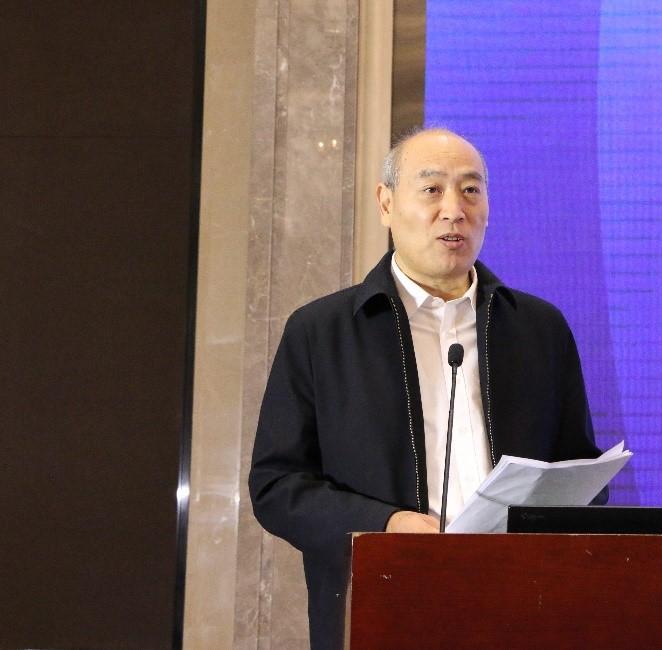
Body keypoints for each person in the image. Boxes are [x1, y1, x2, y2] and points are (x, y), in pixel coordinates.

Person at [249, 127, 606, 649]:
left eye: (471, 190)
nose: (454, 211)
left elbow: (578, 472)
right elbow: (277, 486)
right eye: (432, 189)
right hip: (384, 608)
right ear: (386, 203)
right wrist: (385, 524)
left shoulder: (538, 329)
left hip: (522, 608)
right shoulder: (322, 332)